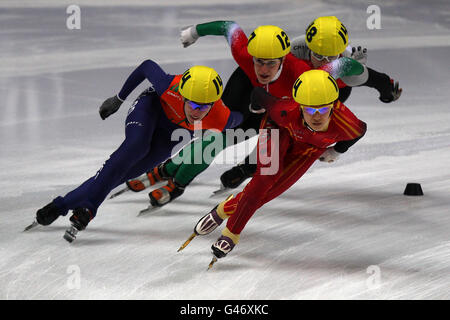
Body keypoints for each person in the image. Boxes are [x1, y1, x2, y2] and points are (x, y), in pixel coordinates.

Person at [115, 16, 401, 206]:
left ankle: (244, 167)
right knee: (224, 134)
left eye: (330, 58)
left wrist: (388, 91)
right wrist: (194, 32)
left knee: (277, 137)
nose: (322, 61)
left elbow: (374, 79)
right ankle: (175, 171)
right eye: (317, 54)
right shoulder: (293, 56)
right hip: (261, 87)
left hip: (292, 98)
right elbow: (232, 30)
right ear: (306, 47)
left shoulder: (339, 72)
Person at [31, 61, 243, 242]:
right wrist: (118, 99)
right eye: (194, 105)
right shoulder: (169, 86)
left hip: (171, 132)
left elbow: (238, 119)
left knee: (121, 174)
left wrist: (254, 111)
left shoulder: (220, 116)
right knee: (136, 147)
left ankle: (59, 205)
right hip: (150, 109)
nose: (198, 113)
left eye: (204, 107)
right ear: (183, 95)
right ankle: (89, 207)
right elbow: (146, 66)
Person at [192, 69, 368, 266]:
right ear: (301, 106)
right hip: (277, 128)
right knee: (264, 180)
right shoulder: (285, 110)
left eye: (323, 109)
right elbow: (258, 94)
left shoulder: (348, 124)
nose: (317, 116)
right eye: (310, 110)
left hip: (309, 148)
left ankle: (223, 210)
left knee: (273, 190)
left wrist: (337, 151)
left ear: (334, 107)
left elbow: (360, 131)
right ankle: (231, 234)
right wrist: (255, 106)